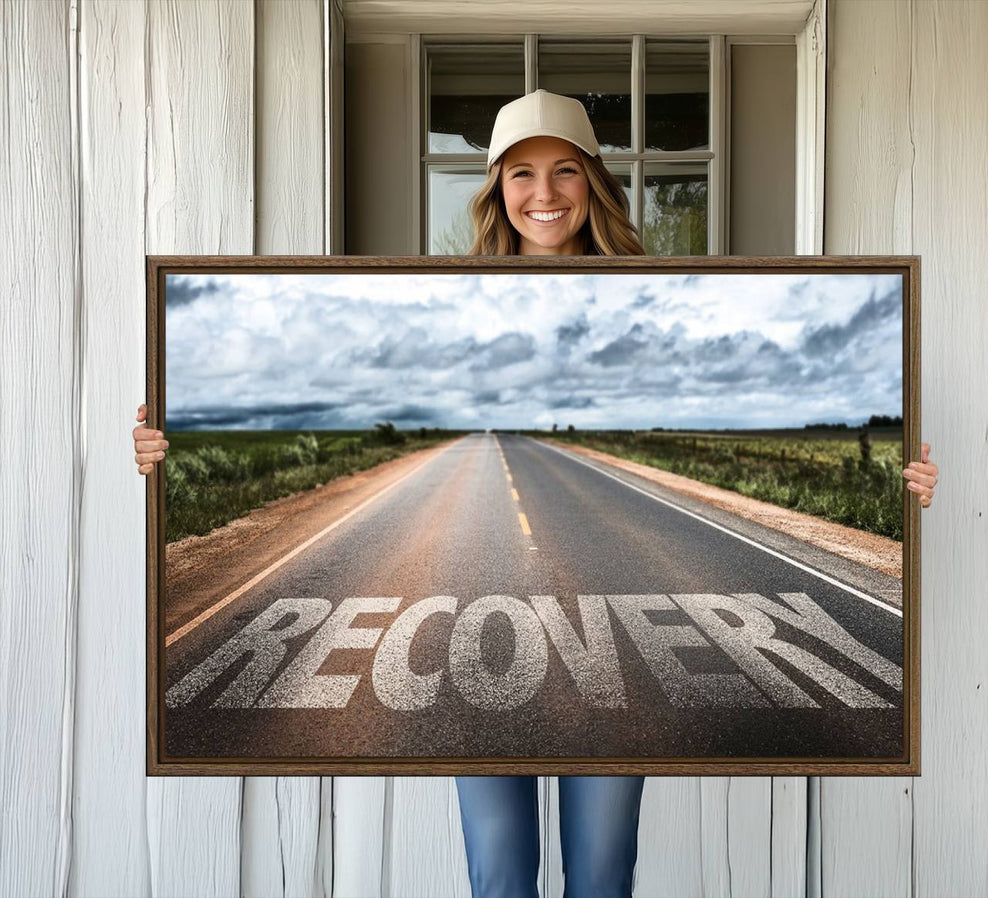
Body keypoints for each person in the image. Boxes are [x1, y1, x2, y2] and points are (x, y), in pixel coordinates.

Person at [131, 89, 940, 897]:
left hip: (614, 655)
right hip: (475, 641)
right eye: (521, 174)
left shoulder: (653, 294)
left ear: (593, 181)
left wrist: (900, 482)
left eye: (564, 171)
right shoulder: (446, 299)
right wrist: (163, 446)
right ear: (496, 189)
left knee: (600, 874)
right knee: (501, 874)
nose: (544, 194)